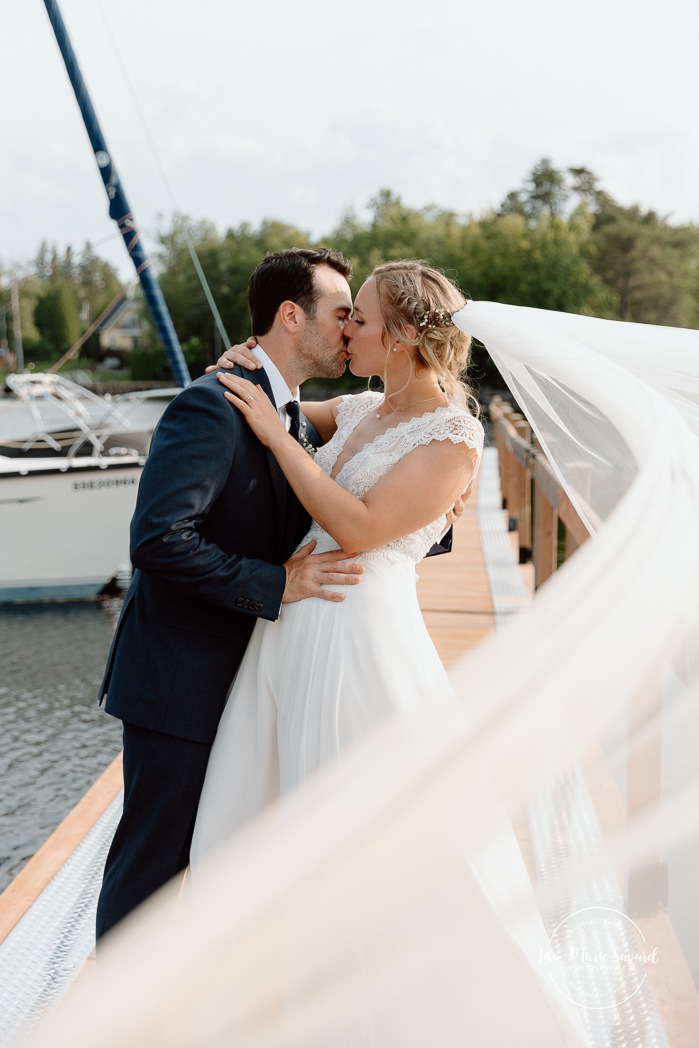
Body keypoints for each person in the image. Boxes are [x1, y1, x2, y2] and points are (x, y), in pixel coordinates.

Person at [95, 247, 369, 939]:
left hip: (250, 680)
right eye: (340, 314)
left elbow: (381, 467)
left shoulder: (294, 418)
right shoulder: (210, 405)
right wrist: (277, 583)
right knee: (153, 872)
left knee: (220, 861)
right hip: (181, 682)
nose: (348, 329)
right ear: (288, 315)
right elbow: (158, 540)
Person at [191, 260, 484, 861]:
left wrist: (277, 435)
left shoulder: (454, 435)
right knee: (265, 807)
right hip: (293, 620)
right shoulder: (354, 409)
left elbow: (359, 527)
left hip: (361, 631)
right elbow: (278, 397)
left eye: (360, 319)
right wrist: (247, 353)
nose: (347, 330)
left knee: (352, 816)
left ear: (401, 335)